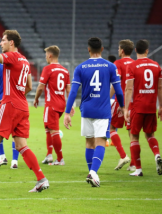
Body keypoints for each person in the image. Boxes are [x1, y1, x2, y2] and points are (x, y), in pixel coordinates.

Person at [0, 30, 49, 192]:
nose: (1, 43)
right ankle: (41, 179)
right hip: (22, 106)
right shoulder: (25, 61)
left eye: (3, 40)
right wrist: (17, 95)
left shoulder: (12, 57)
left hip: (9, 105)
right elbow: (29, 86)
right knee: (21, 145)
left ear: (11, 43)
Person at [64, 37, 124, 187]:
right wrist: (123, 106)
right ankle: (93, 173)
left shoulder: (80, 67)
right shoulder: (110, 66)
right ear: (102, 49)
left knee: (89, 143)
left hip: (86, 109)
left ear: (88, 49)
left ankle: (91, 173)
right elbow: (119, 91)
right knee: (101, 143)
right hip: (102, 110)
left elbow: (72, 92)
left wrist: (66, 112)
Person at [124, 39, 162, 176]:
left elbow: (129, 89)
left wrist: (126, 108)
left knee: (134, 136)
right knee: (150, 134)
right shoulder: (156, 66)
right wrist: (161, 106)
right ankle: (157, 155)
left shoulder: (132, 66)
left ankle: (138, 169)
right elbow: (160, 87)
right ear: (147, 50)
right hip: (151, 107)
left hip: (137, 107)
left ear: (135, 51)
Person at [34, 45, 73, 165]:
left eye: (46, 55)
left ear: (50, 55)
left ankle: (60, 159)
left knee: (54, 130)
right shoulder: (65, 70)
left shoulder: (47, 69)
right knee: (48, 129)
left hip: (51, 104)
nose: (46, 57)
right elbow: (68, 89)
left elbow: (41, 87)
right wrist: (69, 105)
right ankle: (49, 155)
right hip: (61, 104)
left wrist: (36, 99)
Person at [109, 40, 135, 170]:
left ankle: (123, 156)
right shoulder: (136, 64)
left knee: (111, 128)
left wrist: (108, 97)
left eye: (119, 49)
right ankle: (134, 164)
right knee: (132, 133)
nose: (118, 51)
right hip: (134, 102)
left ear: (122, 50)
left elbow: (116, 82)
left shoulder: (117, 63)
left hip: (121, 101)